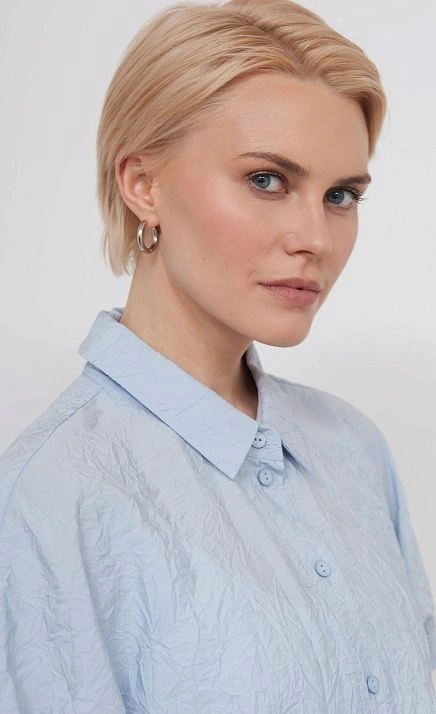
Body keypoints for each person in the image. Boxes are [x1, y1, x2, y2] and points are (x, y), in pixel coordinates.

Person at [0, 0, 435, 711]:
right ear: (143, 185)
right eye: (267, 180)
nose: (315, 238)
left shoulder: (353, 447)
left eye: (341, 195)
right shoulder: (50, 502)